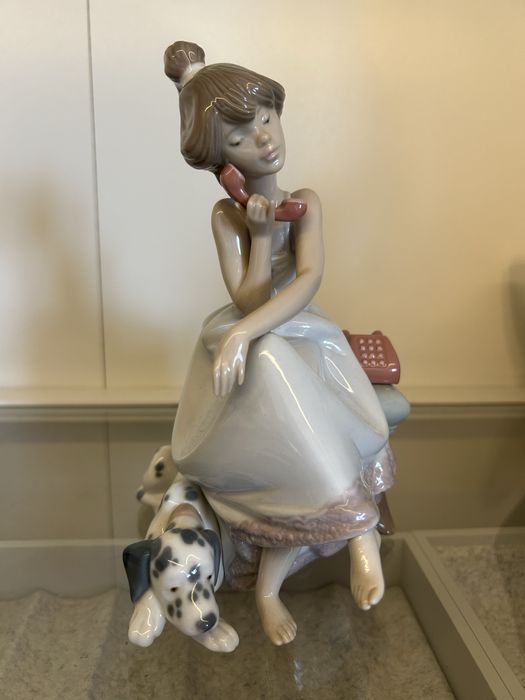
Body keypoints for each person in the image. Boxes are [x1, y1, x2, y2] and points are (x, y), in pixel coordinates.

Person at [164, 41, 395, 645]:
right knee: (269, 392)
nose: (264, 139)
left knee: (269, 356)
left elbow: (308, 281)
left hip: (300, 332)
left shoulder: (307, 203)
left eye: (266, 117)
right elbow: (247, 299)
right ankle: (272, 586)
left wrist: (246, 333)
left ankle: (360, 533)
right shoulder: (226, 216)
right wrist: (261, 237)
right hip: (253, 338)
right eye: (241, 137)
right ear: (222, 164)